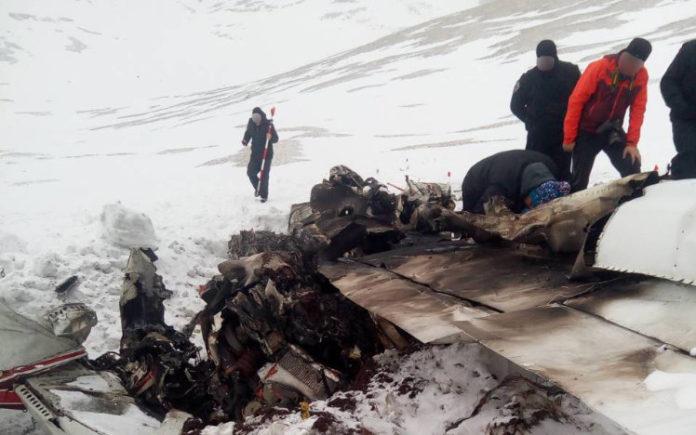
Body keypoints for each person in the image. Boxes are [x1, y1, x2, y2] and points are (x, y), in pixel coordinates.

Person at [563, 38, 652, 191]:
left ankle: (634, 203)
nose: (630, 66)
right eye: (628, 60)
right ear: (623, 55)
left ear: (641, 65)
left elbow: (638, 109)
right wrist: (569, 138)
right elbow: (576, 101)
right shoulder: (600, 68)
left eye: (635, 64)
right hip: (587, 130)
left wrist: (632, 144)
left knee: (632, 165)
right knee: (579, 182)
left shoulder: (641, 76)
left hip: (612, 129)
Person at [511, 40, 581, 179]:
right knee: (534, 171)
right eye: (541, 61)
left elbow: (582, 99)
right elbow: (515, 106)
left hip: (563, 134)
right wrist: (530, 121)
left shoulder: (571, 72)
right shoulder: (528, 78)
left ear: (554, 57)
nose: (544, 64)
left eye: (547, 60)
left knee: (562, 173)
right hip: (538, 136)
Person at [461, 149, 571, 214]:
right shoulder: (502, 186)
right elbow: (477, 215)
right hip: (474, 184)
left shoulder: (551, 168)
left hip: (512, 170)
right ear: (528, 192)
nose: (532, 208)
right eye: (532, 205)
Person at [661, 40, 696, 179]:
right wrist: (683, 108)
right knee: (690, 156)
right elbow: (668, 82)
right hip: (685, 118)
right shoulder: (691, 50)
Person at [242, 107, 278, 202]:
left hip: (266, 155)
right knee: (250, 172)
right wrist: (245, 140)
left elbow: (276, 139)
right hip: (255, 154)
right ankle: (259, 189)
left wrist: (270, 137)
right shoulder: (251, 123)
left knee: (264, 176)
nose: (256, 123)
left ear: (261, 118)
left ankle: (264, 195)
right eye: (255, 121)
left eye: (258, 121)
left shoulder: (268, 125)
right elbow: (248, 133)